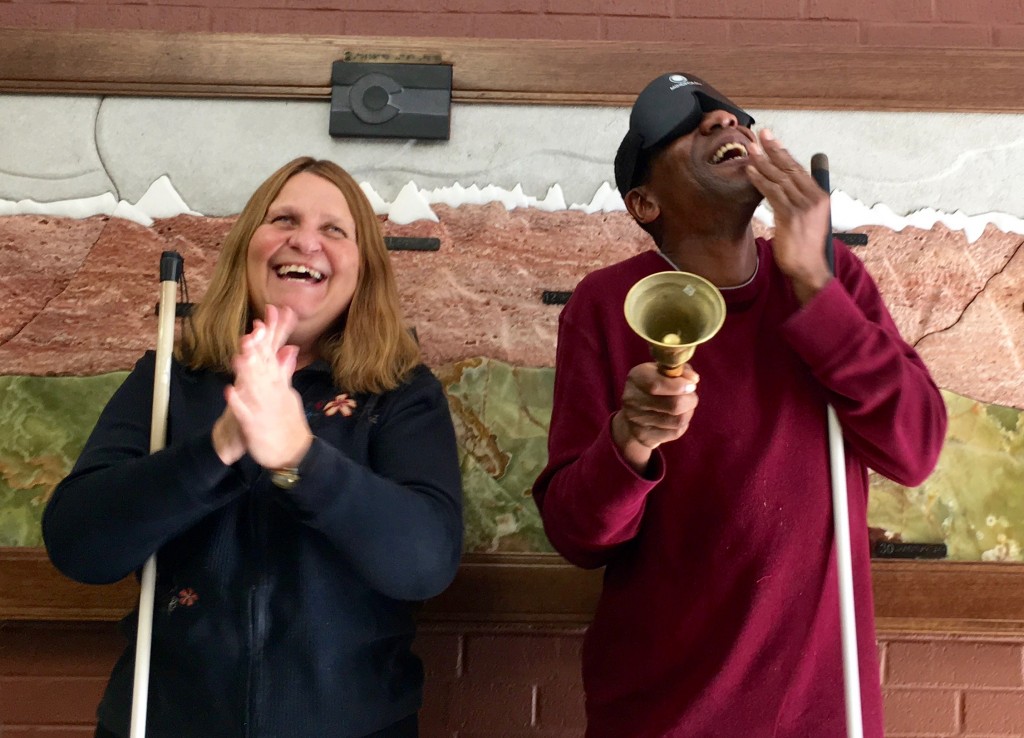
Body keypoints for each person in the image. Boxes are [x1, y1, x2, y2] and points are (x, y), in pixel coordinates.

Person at [532, 73, 947, 737]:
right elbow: (577, 535)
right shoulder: (607, 306)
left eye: (731, 116)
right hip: (663, 714)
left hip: (821, 711)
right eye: (681, 126)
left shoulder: (832, 278)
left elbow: (915, 449)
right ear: (644, 203)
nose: (721, 122)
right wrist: (629, 441)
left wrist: (813, 281)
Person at [43, 157, 463, 738]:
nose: (304, 240)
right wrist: (217, 448)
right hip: (164, 720)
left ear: (364, 270)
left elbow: (426, 564)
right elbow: (79, 546)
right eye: (283, 218)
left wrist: (299, 458)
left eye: (334, 230)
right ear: (248, 248)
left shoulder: (400, 394)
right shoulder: (170, 378)